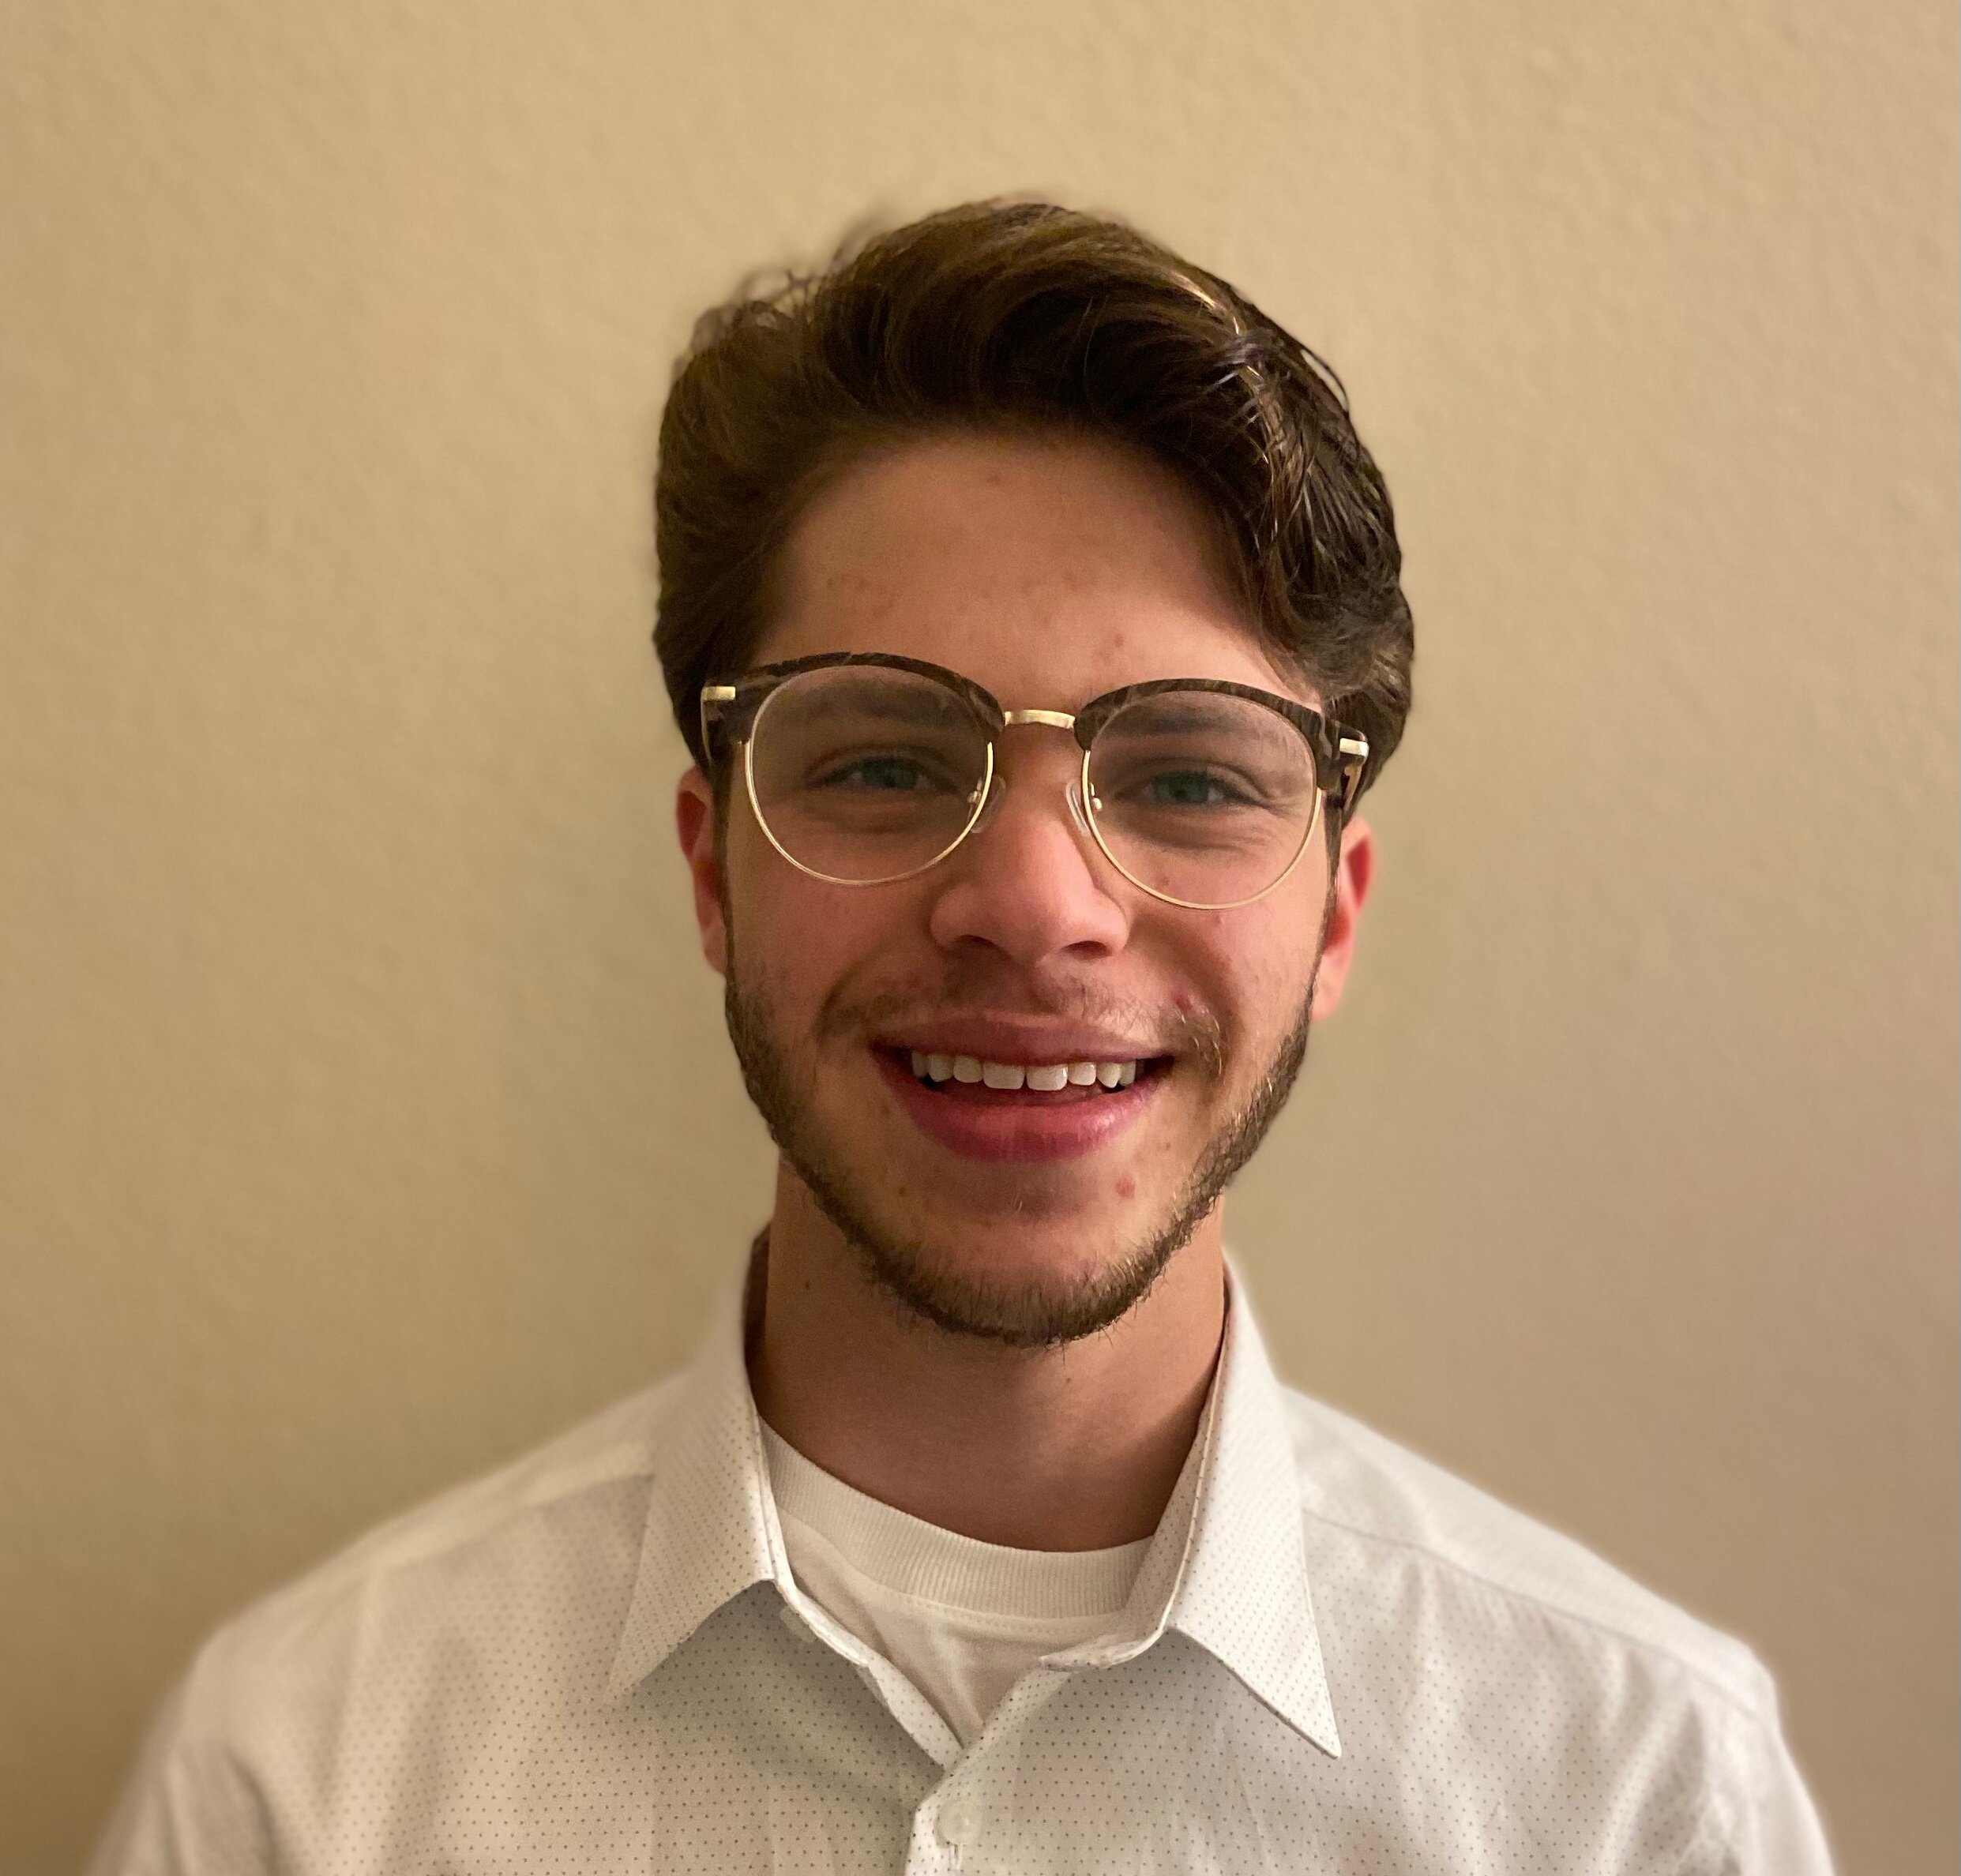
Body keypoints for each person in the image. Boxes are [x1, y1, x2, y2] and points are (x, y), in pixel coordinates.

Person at [88, 198, 1835, 1874]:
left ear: (1334, 919)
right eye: (882, 761)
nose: (1033, 902)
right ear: (713, 874)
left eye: (1188, 778)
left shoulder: (1644, 1799)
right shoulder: (300, 1784)